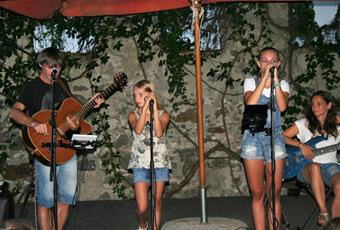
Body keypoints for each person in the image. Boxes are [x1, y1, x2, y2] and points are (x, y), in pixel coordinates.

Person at [9, 47, 104, 230]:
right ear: (41, 65)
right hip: (44, 148)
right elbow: (14, 112)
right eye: (51, 66)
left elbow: (71, 116)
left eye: (58, 66)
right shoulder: (31, 87)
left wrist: (92, 104)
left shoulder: (63, 84)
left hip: (67, 148)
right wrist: (34, 124)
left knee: (67, 198)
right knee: (45, 200)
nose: (55, 70)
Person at [240, 47, 290, 230]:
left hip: (275, 139)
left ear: (278, 63)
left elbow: (282, 107)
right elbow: (251, 103)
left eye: (273, 60)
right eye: (265, 60)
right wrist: (264, 80)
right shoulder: (250, 82)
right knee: (258, 193)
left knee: (274, 193)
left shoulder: (283, 84)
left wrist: (274, 80)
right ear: (258, 63)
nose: (269, 63)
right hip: (252, 138)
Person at [284, 91, 340, 225]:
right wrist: (300, 145)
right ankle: (324, 212)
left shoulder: (337, 125)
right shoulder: (304, 123)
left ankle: (336, 225)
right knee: (315, 167)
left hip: (330, 166)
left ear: (329, 105)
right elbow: (280, 136)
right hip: (306, 167)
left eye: (319, 104)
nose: (315, 107)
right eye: (313, 104)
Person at [128, 79, 171, 230]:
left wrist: (153, 111)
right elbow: (138, 130)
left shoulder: (163, 114)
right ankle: (143, 225)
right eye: (135, 95)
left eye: (140, 95)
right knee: (142, 207)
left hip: (159, 163)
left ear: (150, 94)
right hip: (140, 164)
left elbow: (159, 133)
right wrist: (145, 107)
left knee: (156, 203)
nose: (137, 98)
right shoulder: (133, 115)